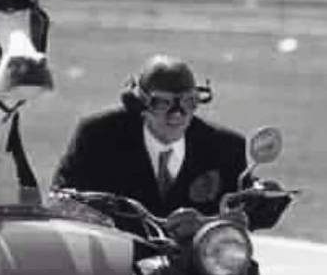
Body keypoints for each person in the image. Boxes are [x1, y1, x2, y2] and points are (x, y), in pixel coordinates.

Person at [53, 54, 247, 219]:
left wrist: (207, 223)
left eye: (189, 102)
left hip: (197, 250)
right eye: (163, 103)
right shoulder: (98, 138)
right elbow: (61, 198)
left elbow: (249, 213)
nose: (177, 114)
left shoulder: (226, 148)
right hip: (119, 247)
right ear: (139, 105)